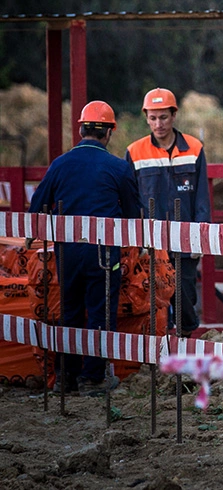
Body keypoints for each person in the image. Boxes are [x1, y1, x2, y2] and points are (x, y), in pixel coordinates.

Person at [29, 101, 141, 395]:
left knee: (70, 311)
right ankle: (93, 378)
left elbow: (37, 206)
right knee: (101, 312)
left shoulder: (60, 164)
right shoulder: (119, 167)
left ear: (80, 129)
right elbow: (133, 217)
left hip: (67, 252)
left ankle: (65, 377)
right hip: (103, 254)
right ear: (109, 133)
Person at [125, 88, 210, 337]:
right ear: (146, 117)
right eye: (152, 118)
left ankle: (185, 348)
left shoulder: (194, 148)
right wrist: (135, 240)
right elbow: (130, 201)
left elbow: (202, 197)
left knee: (185, 299)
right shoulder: (134, 152)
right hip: (152, 245)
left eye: (163, 117)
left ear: (174, 116)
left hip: (185, 241)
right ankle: (159, 358)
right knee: (151, 302)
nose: (158, 124)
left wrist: (200, 237)